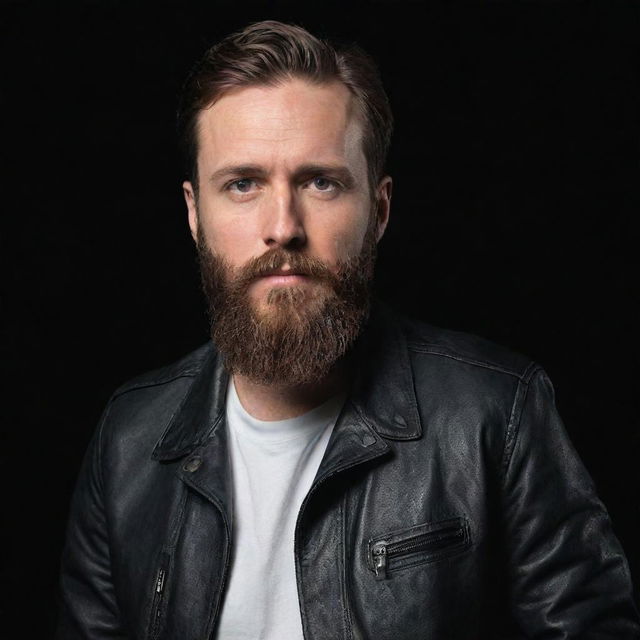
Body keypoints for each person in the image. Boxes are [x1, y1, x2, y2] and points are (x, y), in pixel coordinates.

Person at [57, 20, 639, 639]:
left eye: (321, 182)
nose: (283, 226)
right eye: (243, 184)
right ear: (195, 214)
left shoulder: (497, 414)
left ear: (379, 211)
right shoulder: (128, 439)